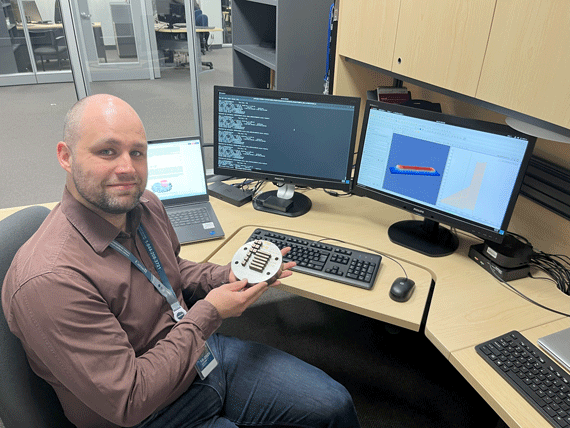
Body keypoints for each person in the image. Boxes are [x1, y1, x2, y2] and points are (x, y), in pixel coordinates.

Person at [2, 94, 361, 428]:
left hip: (197, 355)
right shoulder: (50, 280)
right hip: (151, 413)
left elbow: (171, 270)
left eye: (137, 153)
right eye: (107, 152)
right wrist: (210, 312)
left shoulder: (144, 204)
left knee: (334, 404)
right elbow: (130, 399)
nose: (127, 168)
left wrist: (227, 276)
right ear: (66, 156)